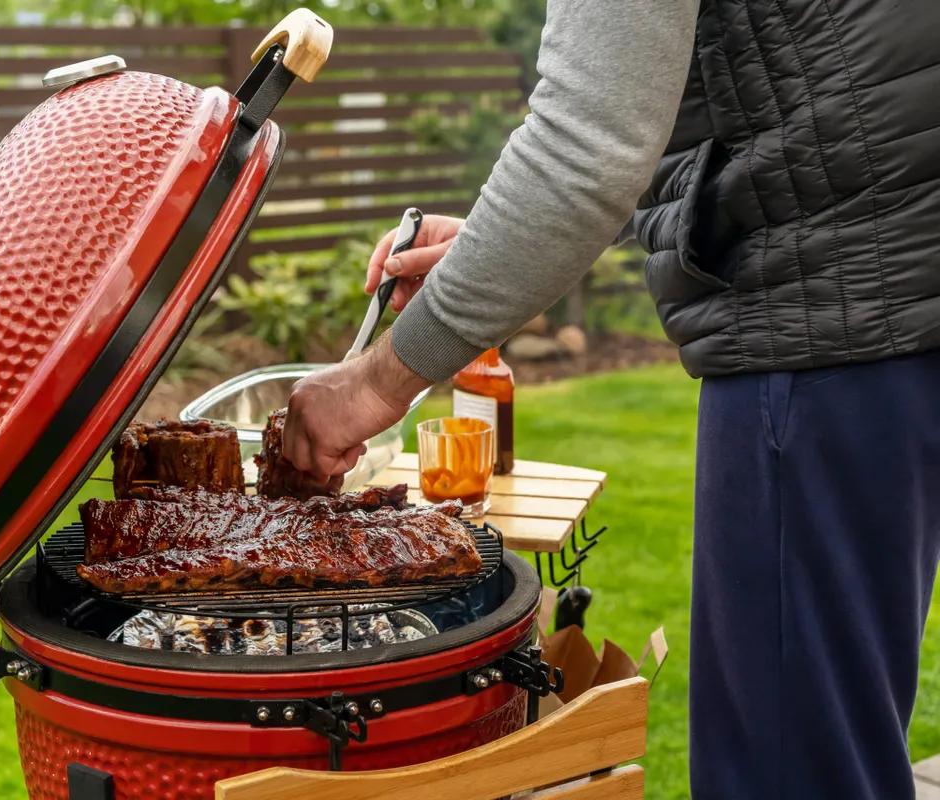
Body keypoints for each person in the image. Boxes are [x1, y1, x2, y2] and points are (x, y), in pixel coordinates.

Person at [280, 0, 940, 796]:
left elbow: (585, 149)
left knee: (793, 770)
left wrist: (373, 381)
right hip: (898, 301)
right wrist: (502, 249)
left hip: (827, 326)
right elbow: (800, 92)